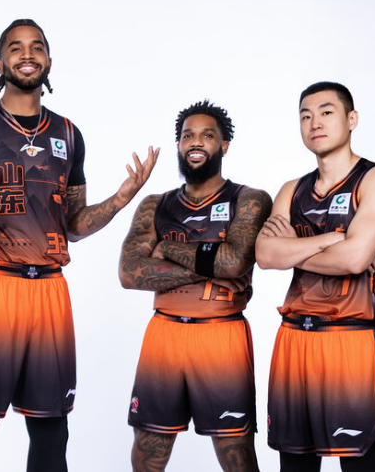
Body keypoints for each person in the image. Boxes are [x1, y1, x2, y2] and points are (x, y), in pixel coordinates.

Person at [0, 19, 158, 472]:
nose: (27, 54)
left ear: (49, 62)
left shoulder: (69, 134)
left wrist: (119, 200)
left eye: (36, 47)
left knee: (52, 433)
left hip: (48, 291)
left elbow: (73, 223)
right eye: (16, 47)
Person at [255, 82, 375, 472]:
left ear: (352, 119)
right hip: (293, 339)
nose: (314, 122)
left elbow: (354, 259)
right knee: (294, 466)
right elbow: (265, 255)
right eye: (305, 115)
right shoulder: (292, 190)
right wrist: (329, 240)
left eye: (326, 112)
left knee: (361, 464)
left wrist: (294, 247)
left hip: (350, 338)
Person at [119, 100, 272, 472]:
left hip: (221, 335)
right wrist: (213, 263)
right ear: (179, 145)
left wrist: (168, 249)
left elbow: (236, 261)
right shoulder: (155, 205)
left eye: (207, 135)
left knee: (237, 455)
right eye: (188, 136)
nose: (196, 142)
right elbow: (129, 273)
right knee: (147, 454)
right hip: (164, 335)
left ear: (224, 145)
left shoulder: (249, 199)